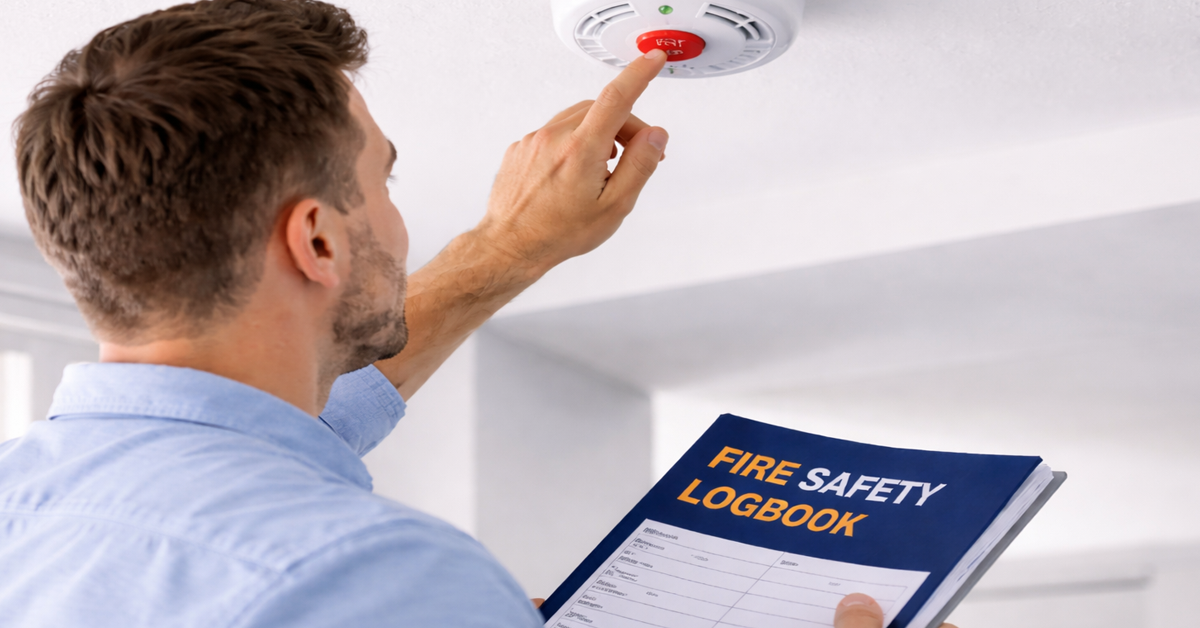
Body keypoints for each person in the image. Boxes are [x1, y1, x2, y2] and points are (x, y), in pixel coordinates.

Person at [1, 1, 958, 626]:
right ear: (319, 243)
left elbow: (260, 443)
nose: (398, 211)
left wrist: (511, 245)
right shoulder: (373, 576)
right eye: (385, 177)